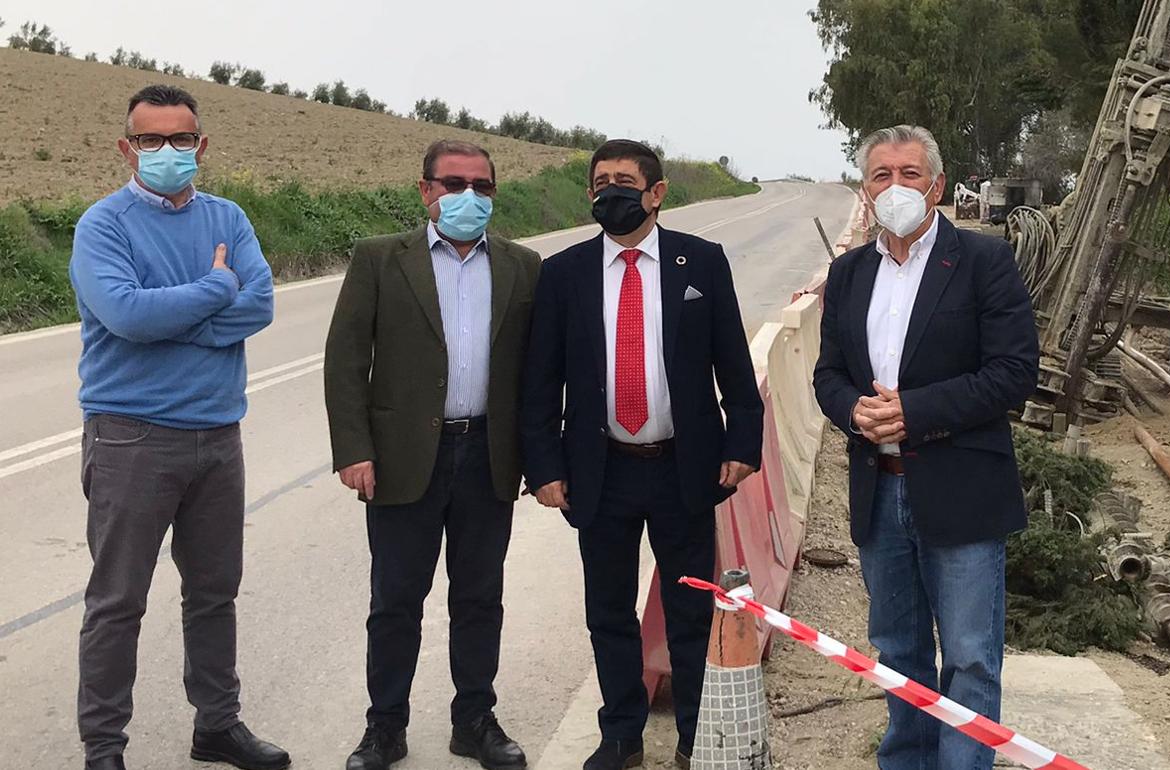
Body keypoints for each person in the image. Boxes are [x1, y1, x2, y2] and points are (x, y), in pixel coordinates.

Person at [521, 139, 763, 770]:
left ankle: (692, 733)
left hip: (684, 467)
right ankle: (622, 732)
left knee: (689, 610)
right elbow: (541, 383)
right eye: (600, 182)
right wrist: (544, 467)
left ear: (656, 193)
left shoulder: (701, 263)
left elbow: (733, 364)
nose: (610, 192)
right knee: (608, 611)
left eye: (624, 181)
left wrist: (743, 443)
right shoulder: (565, 272)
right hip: (600, 471)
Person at [69, 84, 287, 770]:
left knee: (214, 592)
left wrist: (179, 319)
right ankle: (104, 746)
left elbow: (261, 306)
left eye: (181, 139)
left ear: (202, 144)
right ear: (126, 148)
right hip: (131, 437)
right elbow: (127, 317)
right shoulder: (102, 226)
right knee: (118, 601)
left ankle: (216, 724)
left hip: (218, 437)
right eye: (152, 140)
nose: (168, 151)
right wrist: (215, 291)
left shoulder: (229, 218)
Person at [812, 125, 1039, 770]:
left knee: (969, 655)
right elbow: (828, 374)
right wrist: (854, 411)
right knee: (898, 651)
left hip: (961, 488)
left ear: (936, 185)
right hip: (878, 490)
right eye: (881, 175)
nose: (896, 187)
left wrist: (914, 412)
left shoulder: (982, 261)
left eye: (909, 173)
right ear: (866, 188)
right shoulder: (850, 273)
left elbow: (1014, 371)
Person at [324, 140, 539, 770]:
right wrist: (353, 450)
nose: (467, 197)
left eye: (482, 186)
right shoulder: (379, 260)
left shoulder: (523, 266)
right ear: (426, 191)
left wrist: (538, 455)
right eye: (453, 183)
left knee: (479, 597)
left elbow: (538, 370)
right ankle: (384, 726)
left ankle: (474, 719)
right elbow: (345, 361)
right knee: (395, 601)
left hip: (488, 456)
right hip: (401, 459)